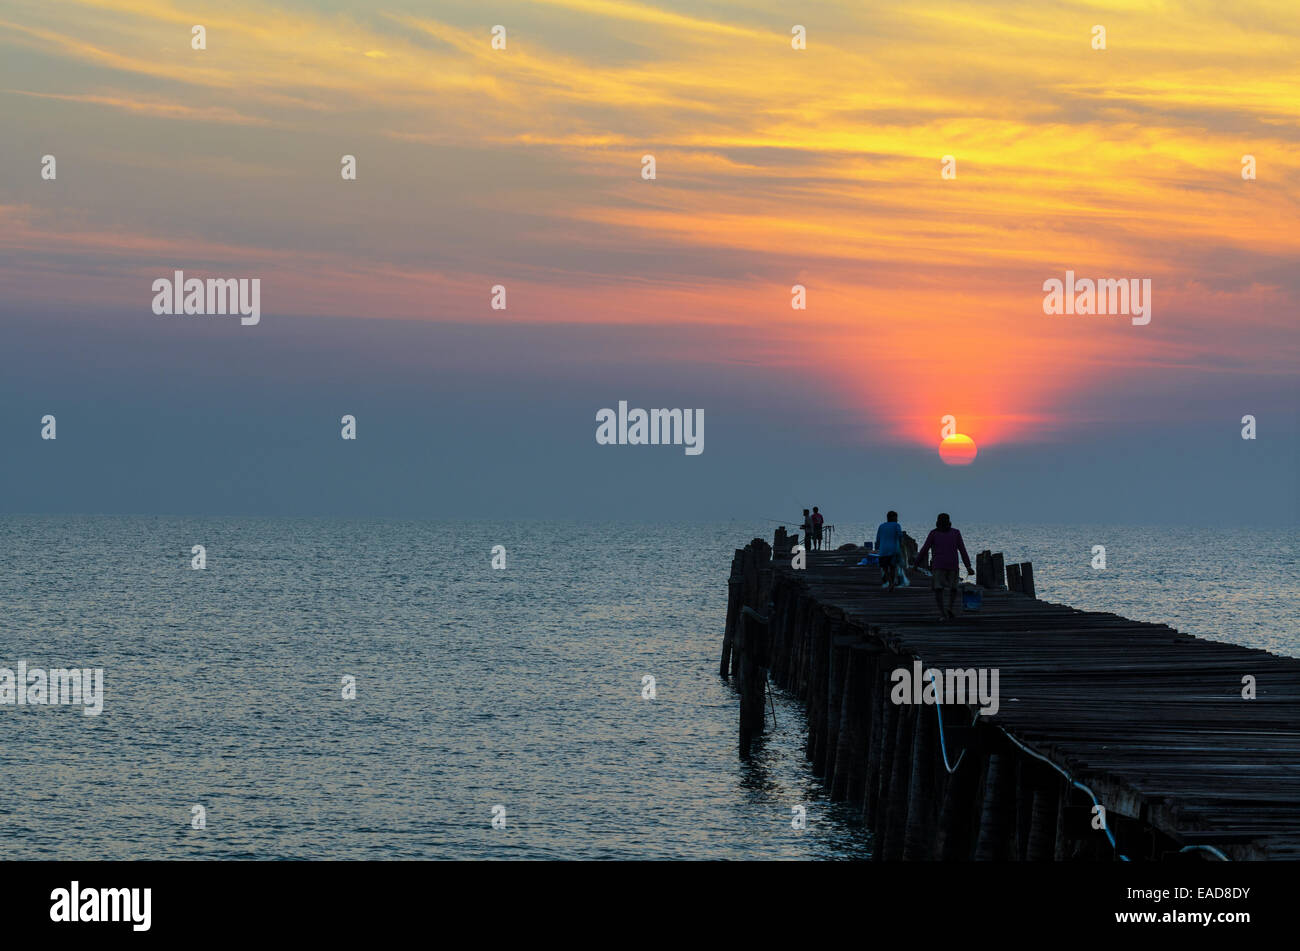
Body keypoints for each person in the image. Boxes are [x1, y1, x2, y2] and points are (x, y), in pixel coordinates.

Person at [914, 512, 974, 621]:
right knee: (953, 589)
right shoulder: (955, 533)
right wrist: (968, 566)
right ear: (949, 522)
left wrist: (916, 564)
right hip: (952, 565)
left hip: (938, 565)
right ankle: (949, 607)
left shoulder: (934, 533)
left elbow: (924, 549)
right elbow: (962, 550)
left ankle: (943, 613)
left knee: (938, 589)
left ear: (937, 523)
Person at [875, 511, 904, 591]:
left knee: (884, 568)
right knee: (892, 567)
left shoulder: (881, 526)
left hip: (883, 551)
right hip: (893, 550)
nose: (897, 519)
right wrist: (901, 546)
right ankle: (892, 583)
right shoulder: (896, 525)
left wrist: (877, 549)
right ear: (892, 518)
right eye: (896, 518)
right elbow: (900, 536)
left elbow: (878, 539)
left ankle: (890, 582)